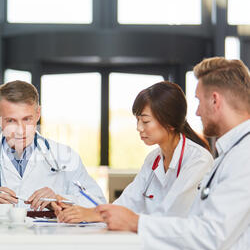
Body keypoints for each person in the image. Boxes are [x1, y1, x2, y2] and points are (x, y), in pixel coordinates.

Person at [68, 57, 249, 250]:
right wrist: (101, 215)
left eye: (199, 101)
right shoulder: (231, 153)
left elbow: (209, 234)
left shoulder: (240, 157)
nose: (195, 111)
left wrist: (134, 222)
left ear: (215, 100)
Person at [57, 81, 213, 226]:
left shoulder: (198, 160)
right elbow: (126, 202)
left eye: (145, 121)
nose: (139, 128)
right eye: (137, 120)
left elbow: (170, 213)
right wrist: (85, 212)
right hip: (145, 247)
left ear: (170, 123)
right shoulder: (153, 159)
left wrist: (95, 215)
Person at [0, 80, 106, 212]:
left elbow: (98, 203)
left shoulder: (65, 156)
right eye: (11, 120)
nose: (20, 130)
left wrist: (60, 199)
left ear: (38, 114)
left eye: (27, 119)